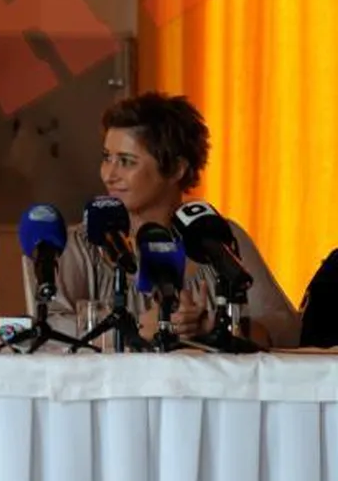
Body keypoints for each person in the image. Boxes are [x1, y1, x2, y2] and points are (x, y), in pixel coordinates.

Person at [44, 92, 301, 349]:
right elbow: (48, 328)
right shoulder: (82, 244)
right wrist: (135, 328)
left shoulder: (218, 236)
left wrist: (212, 327)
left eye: (126, 162)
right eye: (106, 158)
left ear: (177, 168)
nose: (109, 174)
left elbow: (285, 329)